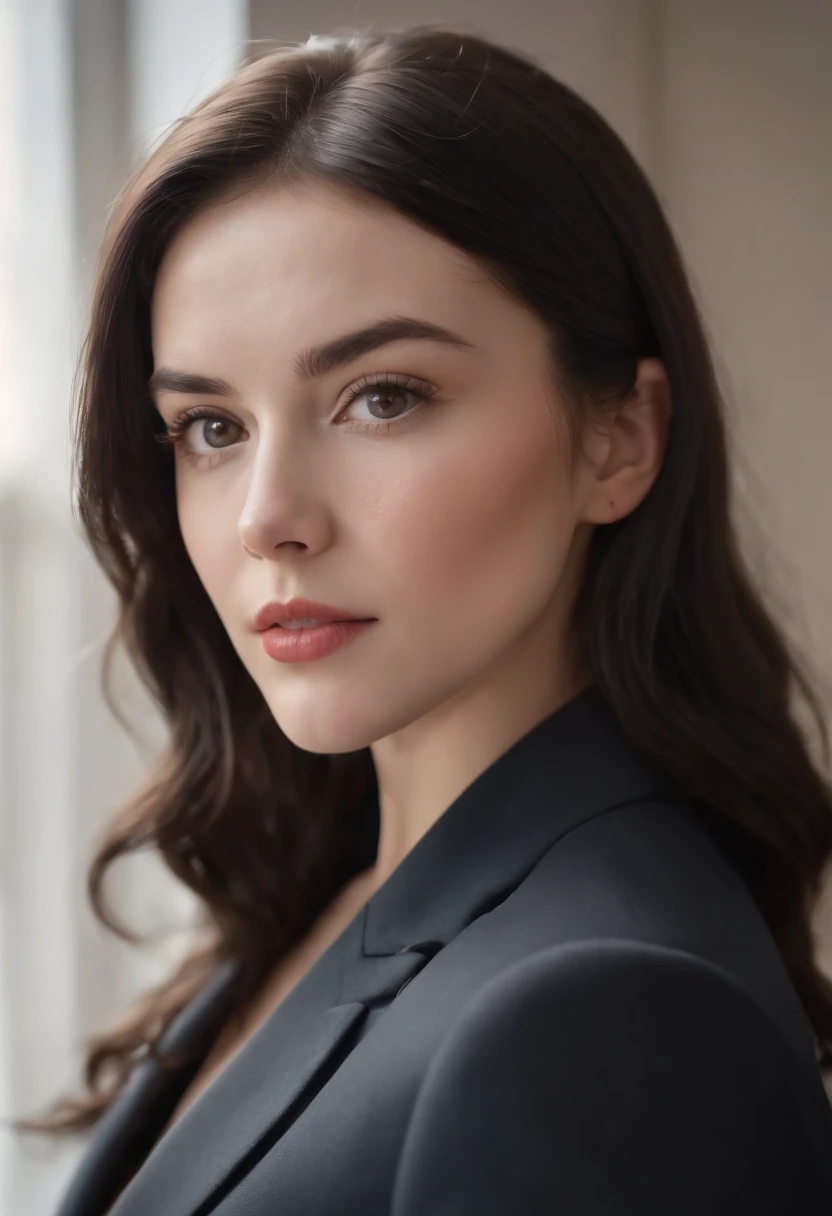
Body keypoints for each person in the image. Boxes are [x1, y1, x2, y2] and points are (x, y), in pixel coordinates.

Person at [26, 22, 832, 1215]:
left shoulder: (607, 1022)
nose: (268, 518)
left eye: (381, 398)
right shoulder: (331, 882)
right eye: (211, 426)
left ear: (620, 436)